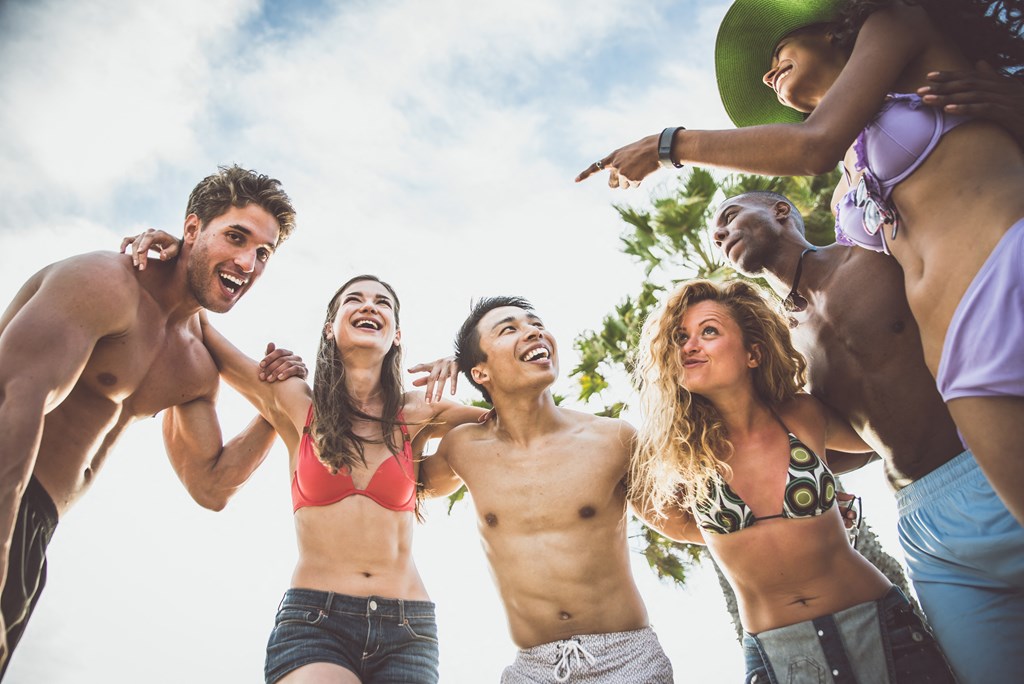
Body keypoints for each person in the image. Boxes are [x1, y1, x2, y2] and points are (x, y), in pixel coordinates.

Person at [577, 0, 1024, 526]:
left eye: (777, 53)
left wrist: (667, 146)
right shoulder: (846, 193)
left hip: (1006, 266)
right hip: (958, 353)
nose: (769, 75)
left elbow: (811, 147)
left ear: (834, 31)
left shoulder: (896, 24)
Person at [710, 190, 1024, 682]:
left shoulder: (876, 255)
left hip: (997, 465)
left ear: (780, 209)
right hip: (924, 521)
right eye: (716, 233)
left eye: (729, 216)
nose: (721, 233)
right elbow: (856, 439)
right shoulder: (782, 349)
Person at [0, 165, 297, 676]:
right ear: (190, 229)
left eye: (263, 253)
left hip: (35, 531)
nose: (247, 261)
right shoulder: (104, 283)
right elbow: (13, 399)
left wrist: (275, 411)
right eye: (235, 236)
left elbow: (211, 486)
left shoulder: (194, 365)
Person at [152, 271, 486, 684]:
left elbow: (508, 425)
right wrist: (174, 252)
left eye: (383, 303)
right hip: (316, 622)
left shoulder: (421, 410)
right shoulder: (297, 404)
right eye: (355, 300)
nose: (369, 306)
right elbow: (201, 328)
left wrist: (467, 368)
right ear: (330, 328)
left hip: (408, 629)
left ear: (396, 335)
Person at [632, 278, 955, 683]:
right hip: (777, 652)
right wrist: (732, 533)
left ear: (753, 353)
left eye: (708, 331)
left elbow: (880, 438)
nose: (689, 346)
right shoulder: (678, 449)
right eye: (680, 337)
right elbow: (661, 514)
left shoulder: (801, 415)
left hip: (879, 623)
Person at [422, 296, 676, 683]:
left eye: (535, 323)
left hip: (627, 658)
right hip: (532, 668)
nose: (533, 331)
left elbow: (681, 521)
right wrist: (434, 409)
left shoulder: (613, 438)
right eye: (509, 329)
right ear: (480, 372)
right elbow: (400, 483)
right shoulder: (463, 447)